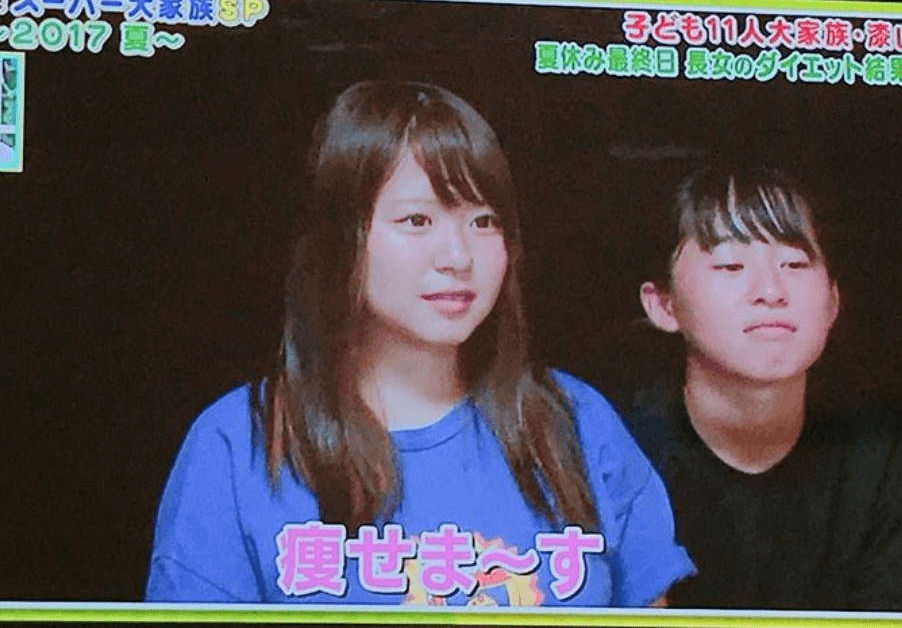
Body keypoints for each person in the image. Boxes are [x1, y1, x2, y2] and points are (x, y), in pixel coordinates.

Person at [145, 80, 694, 607]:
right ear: (343, 239)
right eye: (417, 219)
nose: (458, 256)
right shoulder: (241, 442)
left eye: (484, 221)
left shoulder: (575, 423)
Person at [628, 163, 902, 611]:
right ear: (663, 305)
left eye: (794, 263)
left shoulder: (888, 465)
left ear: (833, 301)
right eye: (731, 264)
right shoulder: (614, 454)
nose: (771, 291)